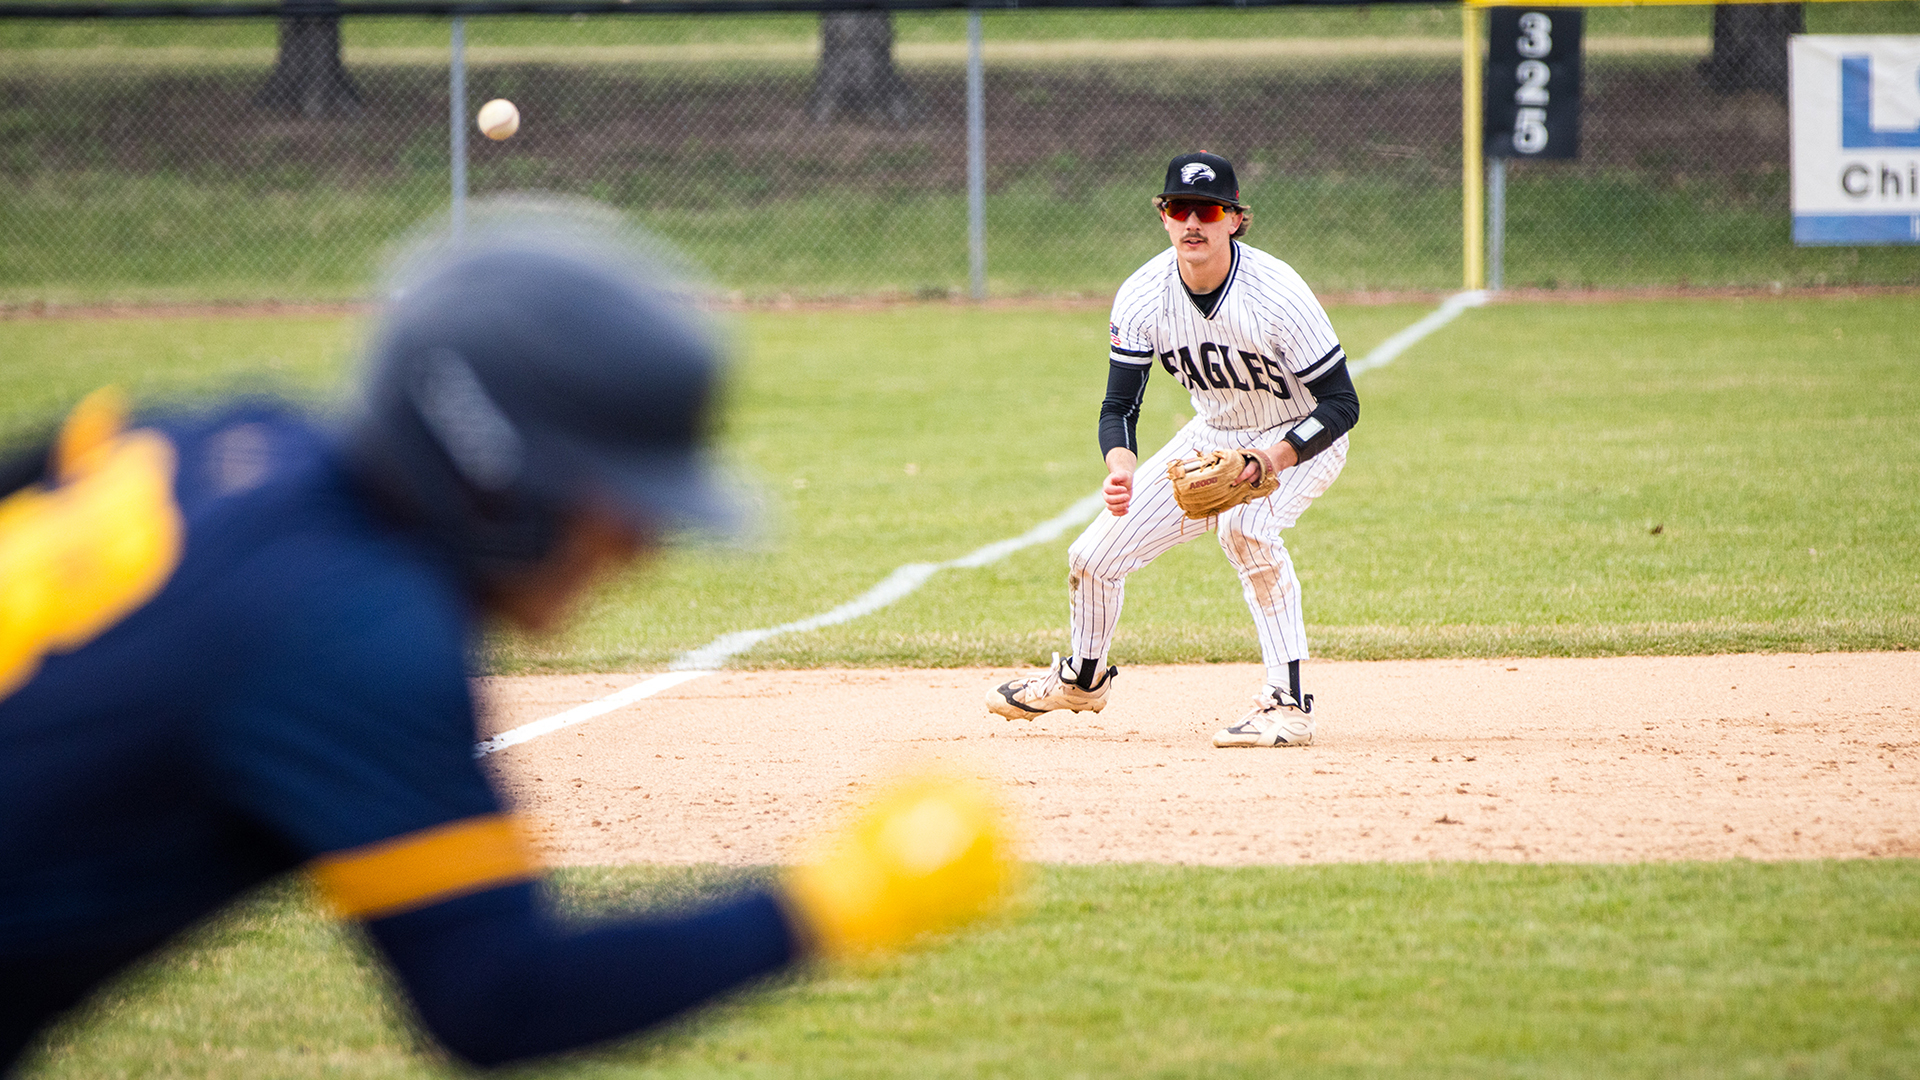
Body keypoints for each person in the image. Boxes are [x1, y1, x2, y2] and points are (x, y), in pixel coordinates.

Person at [0, 209, 1008, 1074]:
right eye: (620, 502)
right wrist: (827, 905)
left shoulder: (216, 441)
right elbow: (494, 995)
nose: (642, 547)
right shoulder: (361, 638)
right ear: (494, 475)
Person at [986, 152, 1360, 749]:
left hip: (1297, 435)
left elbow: (1342, 405)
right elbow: (1120, 408)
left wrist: (1268, 460)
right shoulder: (1143, 295)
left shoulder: (1277, 293)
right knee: (1092, 558)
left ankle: (1288, 706)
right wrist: (1121, 466)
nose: (1193, 222)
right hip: (1211, 438)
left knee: (1246, 528)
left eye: (1208, 210)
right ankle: (1083, 679)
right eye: (1179, 208)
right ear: (1163, 216)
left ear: (1234, 219)